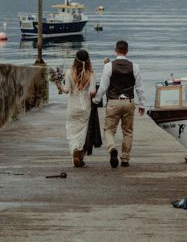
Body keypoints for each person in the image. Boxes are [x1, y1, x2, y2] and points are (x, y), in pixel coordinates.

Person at [93, 40, 145, 168]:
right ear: (127, 51)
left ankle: (112, 149)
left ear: (115, 50)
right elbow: (139, 88)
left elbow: (103, 87)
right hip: (129, 102)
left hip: (113, 101)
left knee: (109, 130)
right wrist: (142, 104)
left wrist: (96, 100)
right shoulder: (135, 66)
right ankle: (125, 158)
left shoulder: (108, 66)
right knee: (128, 131)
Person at [56, 49, 96, 167]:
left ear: (75, 59)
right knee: (82, 132)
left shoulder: (69, 72)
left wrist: (59, 85)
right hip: (85, 107)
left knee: (72, 130)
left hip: (72, 107)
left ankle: (74, 151)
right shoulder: (91, 73)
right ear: (88, 60)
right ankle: (79, 154)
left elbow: (67, 90)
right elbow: (92, 92)